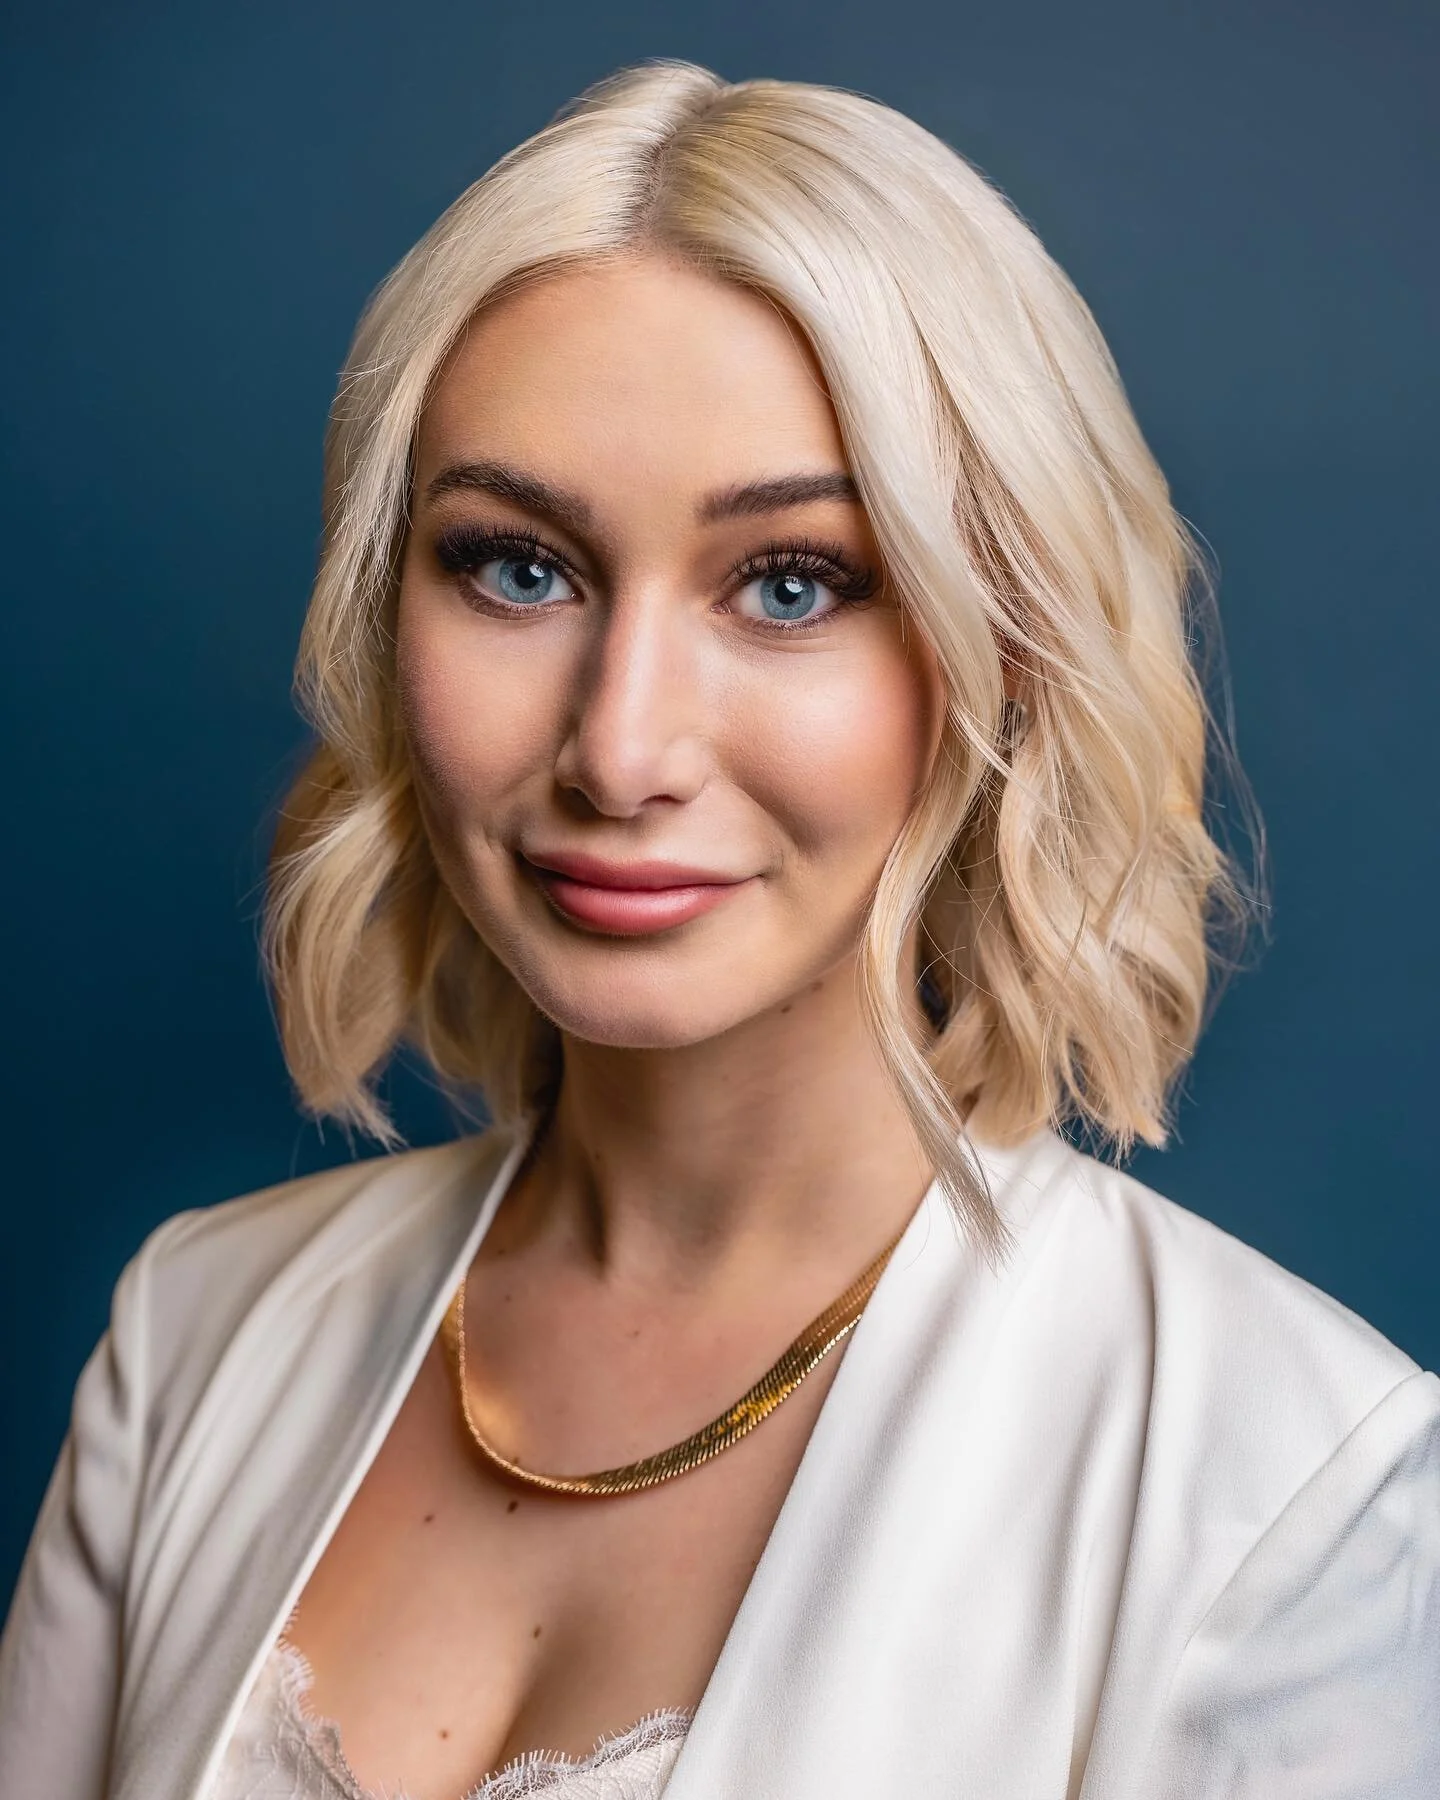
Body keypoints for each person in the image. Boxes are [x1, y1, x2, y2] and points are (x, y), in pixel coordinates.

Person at [1, 57, 1436, 1800]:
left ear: (1008, 658)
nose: (619, 750)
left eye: (790, 585)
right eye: (516, 566)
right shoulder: (194, 1336)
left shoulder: (1287, 1488)